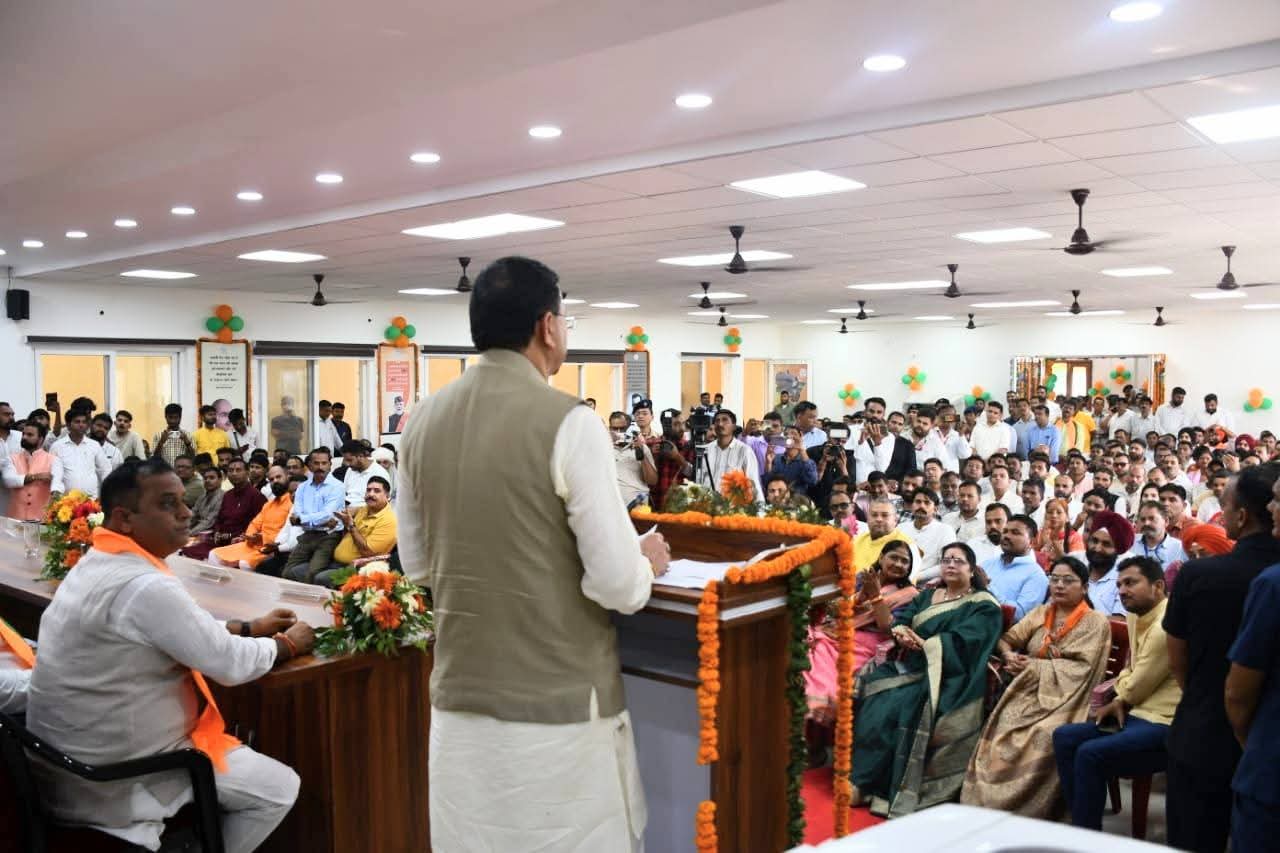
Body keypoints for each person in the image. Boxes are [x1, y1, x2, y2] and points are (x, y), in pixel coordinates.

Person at [395, 257, 670, 851]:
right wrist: (646, 559)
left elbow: (416, 565)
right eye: (566, 320)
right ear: (548, 326)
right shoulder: (570, 421)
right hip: (558, 719)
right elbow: (617, 584)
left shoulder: (420, 422)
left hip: (459, 709)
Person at [26, 459, 314, 853]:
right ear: (124, 519)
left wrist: (247, 627)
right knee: (279, 788)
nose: (186, 513)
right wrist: (288, 644)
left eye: (182, 500)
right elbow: (229, 663)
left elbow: (177, 628)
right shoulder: (143, 584)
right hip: (118, 775)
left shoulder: (100, 561)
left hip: (62, 762)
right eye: (167, 504)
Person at [1164, 463, 1280, 853]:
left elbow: (1178, 661)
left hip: (1208, 729)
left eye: (1225, 506)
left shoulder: (1200, 575)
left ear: (1242, 516)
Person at [850, 542, 1003, 817]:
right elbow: (902, 620)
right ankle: (863, 781)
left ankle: (876, 787)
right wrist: (901, 633)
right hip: (912, 666)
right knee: (872, 688)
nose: (951, 565)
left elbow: (969, 643)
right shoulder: (928, 595)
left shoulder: (983, 605)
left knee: (899, 704)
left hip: (949, 675)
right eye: (946, 560)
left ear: (972, 569)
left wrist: (927, 644)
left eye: (958, 560)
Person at [961, 556, 1110, 818]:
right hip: (1027, 690)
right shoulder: (1043, 612)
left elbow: (1083, 669)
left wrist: (1033, 666)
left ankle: (1027, 810)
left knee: (1042, 734)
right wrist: (1009, 655)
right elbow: (1007, 639)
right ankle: (986, 801)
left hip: (1068, 698)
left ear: (1085, 587)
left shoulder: (1095, 621)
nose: (1059, 585)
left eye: (1068, 580)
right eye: (1055, 579)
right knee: (1002, 728)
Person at [1053, 556, 1181, 831]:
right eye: (1120, 584)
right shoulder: (1135, 615)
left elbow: (1138, 684)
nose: (1122, 591)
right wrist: (1122, 698)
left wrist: (1122, 697)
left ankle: (1087, 836)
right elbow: (1130, 670)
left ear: (1158, 586)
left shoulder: (1165, 625)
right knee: (1064, 737)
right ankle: (1080, 821)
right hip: (1135, 711)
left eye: (1131, 583)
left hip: (1163, 721)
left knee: (1089, 754)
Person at [1224, 469, 1280, 853]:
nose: (1271, 508)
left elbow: (1238, 694)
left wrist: (1254, 745)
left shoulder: (1272, 585)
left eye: (1278, 500)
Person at [805, 540, 917, 723]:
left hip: (869, 642)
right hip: (837, 630)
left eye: (905, 561)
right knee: (807, 653)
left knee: (829, 673)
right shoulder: (861, 578)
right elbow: (836, 610)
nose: (898, 564)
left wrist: (876, 597)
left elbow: (888, 627)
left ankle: (818, 710)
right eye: (894, 557)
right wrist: (861, 596)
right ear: (881, 557)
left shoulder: (909, 594)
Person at [313, 477, 399, 586]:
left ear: (388, 496)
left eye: (377, 491)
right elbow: (352, 510)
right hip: (336, 562)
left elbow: (368, 553)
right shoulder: (364, 509)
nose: (371, 494)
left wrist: (351, 526)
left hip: (357, 569)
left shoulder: (389, 520)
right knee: (298, 571)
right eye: (368, 490)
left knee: (320, 578)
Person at [210, 465, 295, 571]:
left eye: (278, 477)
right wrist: (249, 536)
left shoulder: (292, 503)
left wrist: (262, 538)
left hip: (271, 547)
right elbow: (254, 524)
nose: (275, 481)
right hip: (253, 544)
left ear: (287, 476)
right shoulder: (268, 505)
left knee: (245, 563)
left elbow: (288, 533)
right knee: (214, 554)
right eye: (271, 479)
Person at [281, 448, 346, 583]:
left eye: (324, 463)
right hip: (308, 535)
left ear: (330, 465)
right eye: (316, 463)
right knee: (286, 573)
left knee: (312, 574)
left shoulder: (337, 487)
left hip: (328, 536)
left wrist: (302, 520)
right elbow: (297, 513)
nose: (320, 467)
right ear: (310, 465)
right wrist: (316, 520)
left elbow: (327, 514)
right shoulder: (302, 487)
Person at [182, 459, 266, 562]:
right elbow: (219, 519)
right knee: (188, 550)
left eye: (238, 470)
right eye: (230, 470)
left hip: (240, 542)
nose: (234, 473)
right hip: (220, 540)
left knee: (210, 557)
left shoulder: (256, 496)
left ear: (247, 473)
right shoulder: (228, 495)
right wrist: (217, 532)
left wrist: (234, 536)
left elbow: (259, 526)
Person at [982, 515, 1048, 620]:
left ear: (1032, 542)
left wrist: (987, 586)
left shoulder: (1036, 576)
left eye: (1015, 533)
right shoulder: (987, 564)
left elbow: (1019, 615)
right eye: (1005, 531)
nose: (1006, 536)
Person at [49, 408, 111, 498]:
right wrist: (56, 492)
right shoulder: (57, 446)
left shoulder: (94, 445)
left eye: (84, 422)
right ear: (68, 425)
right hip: (66, 501)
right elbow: (55, 473)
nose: (81, 425)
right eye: (77, 422)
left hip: (92, 500)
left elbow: (105, 469)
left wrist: (107, 491)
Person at [4, 421, 57, 520]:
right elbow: (9, 480)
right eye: (23, 434)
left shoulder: (54, 460)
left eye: (30, 435)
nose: (24, 437)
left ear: (41, 439)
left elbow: (57, 486)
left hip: (42, 519)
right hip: (15, 519)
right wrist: (36, 477)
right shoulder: (11, 459)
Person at [696, 409, 759, 492]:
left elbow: (753, 483)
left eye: (725, 420)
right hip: (707, 499)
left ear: (734, 426)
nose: (720, 424)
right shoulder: (705, 450)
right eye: (717, 421)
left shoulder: (744, 451)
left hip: (733, 500)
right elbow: (698, 480)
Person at [897, 488, 951, 582]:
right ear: (912, 506)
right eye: (918, 502)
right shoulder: (901, 528)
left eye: (927, 503)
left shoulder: (945, 530)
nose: (921, 506)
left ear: (935, 509)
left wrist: (914, 578)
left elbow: (946, 563)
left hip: (927, 584)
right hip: (897, 578)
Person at [608, 411, 658, 507]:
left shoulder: (641, 447)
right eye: (615, 429)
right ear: (610, 429)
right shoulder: (603, 448)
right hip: (611, 506)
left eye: (622, 429)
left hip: (637, 505)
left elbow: (652, 481)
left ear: (629, 428)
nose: (619, 432)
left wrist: (641, 454)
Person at [853, 497, 916, 570]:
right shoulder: (859, 539)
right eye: (874, 515)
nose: (879, 519)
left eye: (885, 515)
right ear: (867, 518)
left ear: (895, 520)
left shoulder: (907, 546)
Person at [1124, 500, 1187, 572]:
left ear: (1166, 521)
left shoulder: (1179, 548)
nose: (1146, 523)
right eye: (1142, 519)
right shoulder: (1130, 542)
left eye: (1152, 519)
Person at [337, 441, 390, 508]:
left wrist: (358, 511)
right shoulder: (350, 470)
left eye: (350, 460)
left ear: (360, 456)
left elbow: (382, 502)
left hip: (367, 511)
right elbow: (345, 493)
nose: (347, 464)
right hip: (346, 508)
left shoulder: (380, 473)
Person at [769, 425, 818, 494]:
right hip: (778, 497)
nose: (789, 436)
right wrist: (768, 462)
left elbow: (812, 481)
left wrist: (801, 449)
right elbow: (768, 480)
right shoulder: (777, 458)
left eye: (793, 433)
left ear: (800, 437)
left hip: (796, 498)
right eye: (786, 434)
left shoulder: (806, 460)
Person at [188, 466, 226, 535]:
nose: (207, 480)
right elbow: (193, 515)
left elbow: (209, 522)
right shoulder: (202, 497)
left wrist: (189, 533)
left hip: (212, 533)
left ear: (220, 480)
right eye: (205, 478)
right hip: (198, 531)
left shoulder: (223, 497)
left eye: (212, 478)